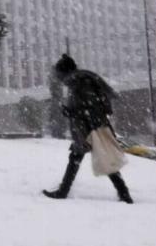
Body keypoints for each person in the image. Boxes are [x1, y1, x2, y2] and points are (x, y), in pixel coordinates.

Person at [42, 54, 133, 204]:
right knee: (83, 158)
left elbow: (91, 106)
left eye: (59, 74)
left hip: (90, 128)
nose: (58, 78)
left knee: (95, 158)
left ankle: (124, 194)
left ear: (65, 71)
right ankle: (123, 194)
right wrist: (73, 111)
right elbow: (86, 105)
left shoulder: (80, 81)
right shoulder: (79, 80)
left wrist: (73, 112)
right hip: (86, 128)